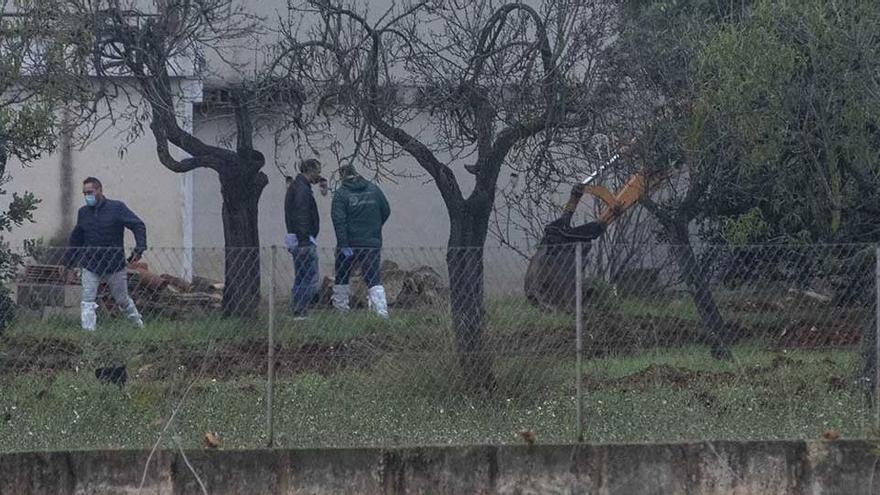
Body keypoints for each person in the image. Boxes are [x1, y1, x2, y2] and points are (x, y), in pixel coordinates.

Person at [67, 177, 146, 331]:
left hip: (114, 264)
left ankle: (138, 326)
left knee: (122, 299)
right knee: (87, 300)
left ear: (100, 190)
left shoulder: (117, 208)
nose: (87, 196)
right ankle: (88, 333)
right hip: (90, 264)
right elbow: (76, 238)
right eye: (84, 193)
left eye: (90, 192)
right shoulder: (83, 212)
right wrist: (69, 263)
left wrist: (139, 248)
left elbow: (138, 225)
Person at [331, 164, 391, 318]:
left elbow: (339, 222)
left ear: (342, 177)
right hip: (371, 243)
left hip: (349, 244)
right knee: (373, 278)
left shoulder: (341, 195)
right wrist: (374, 228)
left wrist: (343, 244)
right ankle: (381, 312)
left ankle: (341, 311)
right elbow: (386, 210)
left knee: (342, 276)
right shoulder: (374, 189)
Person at [284, 159, 323, 319]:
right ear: (310, 170)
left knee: (301, 276)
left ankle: (298, 310)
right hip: (304, 241)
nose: (319, 176)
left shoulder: (296, 186)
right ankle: (302, 311)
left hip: (298, 239)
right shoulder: (302, 189)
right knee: (309, 277)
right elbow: (302, 214)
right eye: (317, 171)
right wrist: (305, 238)